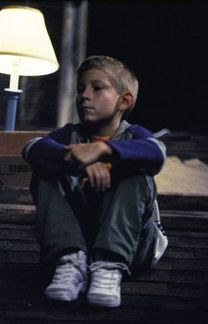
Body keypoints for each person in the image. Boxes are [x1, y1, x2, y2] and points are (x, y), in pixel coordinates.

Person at [22, 55, 167, 308]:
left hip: (132, 248)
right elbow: (32, 148)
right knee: (47, 168)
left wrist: (105, 151)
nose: (84, 96)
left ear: (125, 101)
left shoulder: (135, 135)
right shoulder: (71, 134)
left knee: (137, 171)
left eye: (97, 88)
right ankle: (70, 260)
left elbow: (157, 153)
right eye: (81, 89)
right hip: (79, 241)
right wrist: (75, 157)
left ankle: (110, 263)